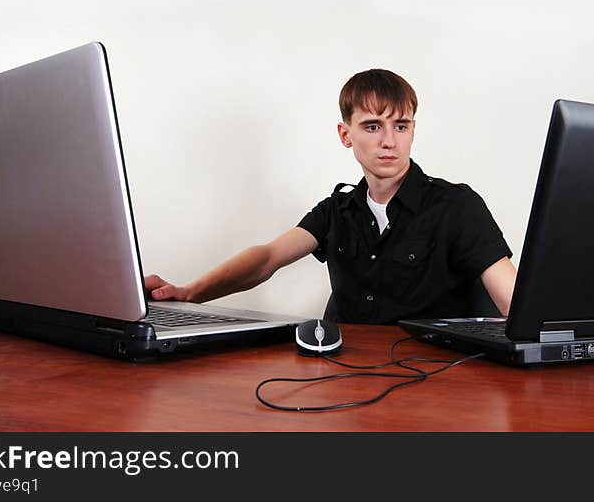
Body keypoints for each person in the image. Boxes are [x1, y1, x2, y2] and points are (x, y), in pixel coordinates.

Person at [145, 69, 517, 324]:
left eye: (400, 126)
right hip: (347, 382)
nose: (389, 140)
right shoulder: (337, 212)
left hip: (437, 390)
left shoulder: (458, 206)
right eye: (372, 126)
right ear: (345, 134)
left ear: (412, 131)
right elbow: (267, 258)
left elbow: (511, 302)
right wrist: (190, 293)